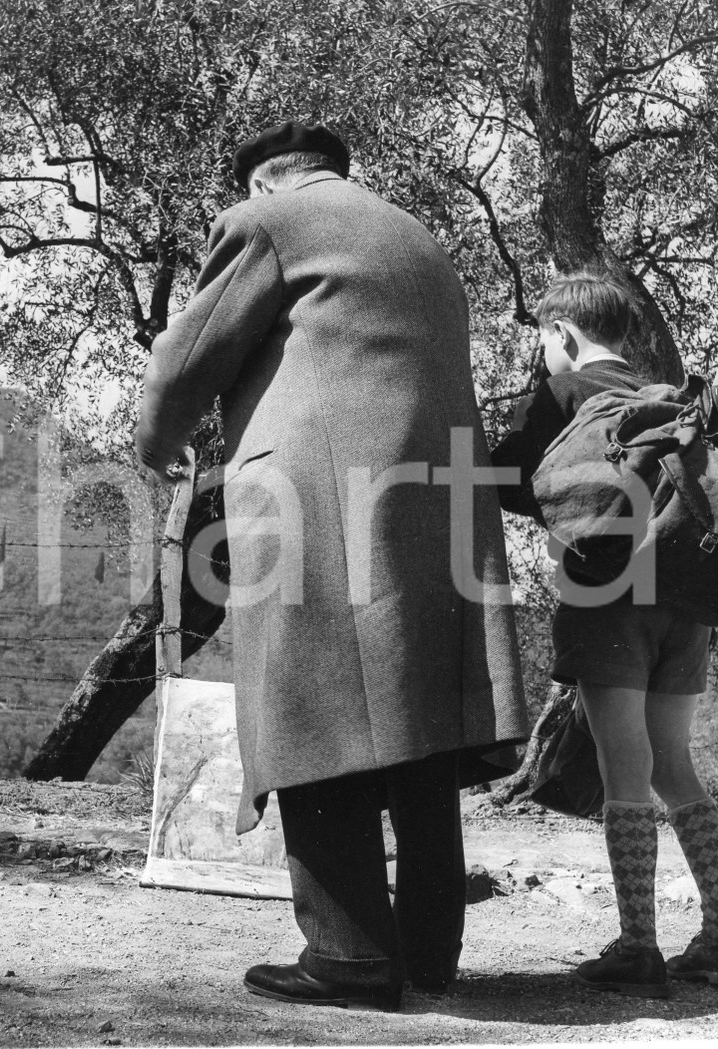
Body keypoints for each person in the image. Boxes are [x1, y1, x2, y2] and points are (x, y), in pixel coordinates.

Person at [135, 121, 529, 1011]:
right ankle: (429, 951)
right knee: (414, 713)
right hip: (439, 500)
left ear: (267, 178)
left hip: (323, 496)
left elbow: (190, 356)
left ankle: (349, 956)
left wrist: (156, 442)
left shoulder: (266, 221)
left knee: (311, 697)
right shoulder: (419, 239)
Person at [490, 273, 718, 998]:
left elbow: (504, 481)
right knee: (671, 763)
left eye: (543, 344)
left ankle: (638, 946)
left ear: (562, 335)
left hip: (608, 598)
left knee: (626, 761)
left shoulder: (563, 397)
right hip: (687, 601)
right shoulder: (665, 399)